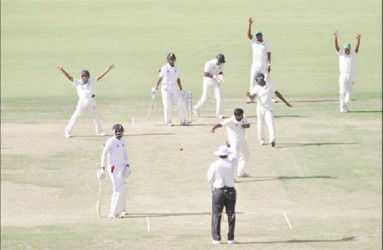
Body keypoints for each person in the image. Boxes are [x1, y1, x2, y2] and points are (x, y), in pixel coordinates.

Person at [57, 64, 115, 138]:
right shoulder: (77, 82)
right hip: (82, 102)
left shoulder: (92, 81)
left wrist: (108, 70)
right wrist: (62, 70)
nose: (84, 77)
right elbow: (69, 77)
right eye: (83, 76)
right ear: (81, 77)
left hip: (90, 101)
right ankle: (67, 132)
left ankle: (99, 131)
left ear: (88, 77)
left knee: (96, 117)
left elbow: (100, 77)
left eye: (86, 76)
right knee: (75, 117)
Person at [246, 73, 292, 147]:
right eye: (256, 80)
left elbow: (278, 94)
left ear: (261, 78)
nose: (257, 81)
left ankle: (272, 139)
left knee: (270, 123)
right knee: (260, 124)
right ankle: (261, 139)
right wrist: (249, 95)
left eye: (258, 79)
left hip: (268, 109)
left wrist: (286, 102)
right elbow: (252, 97)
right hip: (260, 109)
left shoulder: (270, 85)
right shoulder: (256, 88)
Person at [97, 124, 131, 218]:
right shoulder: (110, 142)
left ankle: (122, 209)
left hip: (123, 166)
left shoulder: (123, 141)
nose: (120, 134)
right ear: (114, 132)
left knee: (124, 188)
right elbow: (104, 154)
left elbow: (125, 153)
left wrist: (127, 165)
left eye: (121, 132)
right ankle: (113, 212)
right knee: (118, 189)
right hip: (114, 168)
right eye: (118, 132)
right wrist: (102, 168)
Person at [207, 145, 238, 245]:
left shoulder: (214, 165)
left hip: (218, 191)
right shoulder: (231, 163)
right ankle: (231, 238)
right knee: (231, 215)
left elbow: (209, 179)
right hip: (230, 191)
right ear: (226, 155)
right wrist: (230, 149)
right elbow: (235, 156)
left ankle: (216, 238)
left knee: (216, 215)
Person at [211, 108, 251, 177]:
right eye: (241, 115)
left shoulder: (244, 117)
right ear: (236, 116)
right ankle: (230, 176)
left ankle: (241, 172)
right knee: (234, 159)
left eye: (242, 114)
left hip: (242, 140)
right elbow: (220, 124)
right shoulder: (230, 121)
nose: (242, 116)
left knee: (246, 155)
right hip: (234, 142)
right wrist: (213, 128)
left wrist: (245, 126)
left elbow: (248, 125)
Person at [152, 53, 188, 126]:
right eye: (169, 59)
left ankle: (183, 121)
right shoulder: (164, 68)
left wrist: (181, 89)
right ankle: (168, 122)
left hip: (174, 87)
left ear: (174, 60)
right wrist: (156, 88)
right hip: (166, 88)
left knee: (180, 103)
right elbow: (160, 78)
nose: (171, 61)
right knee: (167, 105)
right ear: (167, 60)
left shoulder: (177, 68)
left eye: (172, 59)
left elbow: (178, 79)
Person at [333, 31, 361, 113]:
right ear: (344, 49)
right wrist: (335, 38)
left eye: (348, 49)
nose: (347, 50)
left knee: (349, 94)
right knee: (342, 91)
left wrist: (358, 40)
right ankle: (342, 107)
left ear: (350, 49)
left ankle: (345, 106)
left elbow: (357, 48)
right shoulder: (341, 54)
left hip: (351, 75)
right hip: (342, 75)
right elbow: (337, 47)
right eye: (345, 49)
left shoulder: (353, 54)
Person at [246, 17, 272, 104]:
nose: (258, 37)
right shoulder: (253, 41)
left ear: (262, 35)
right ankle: (251, 98)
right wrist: (249, 24)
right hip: (255, 64)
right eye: (257, 35)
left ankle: (269, 97)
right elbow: (248, 34)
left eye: (259, 35)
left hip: (264, 64)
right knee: (253, 80)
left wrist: (269, 64)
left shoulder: (266, 43)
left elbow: (269, 54)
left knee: (267, 79)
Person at [193, 54, 226, 119]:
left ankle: (218, 114)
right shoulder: (209, 63)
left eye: (222, 62)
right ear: (216, 60)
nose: (221, 63)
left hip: (216, 82)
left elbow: (220, 72)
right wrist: (214, 76)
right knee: (205, 98)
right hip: (208, 81)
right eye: (220, 62)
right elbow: (205, 73)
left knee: (219, 96)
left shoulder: (222, 64)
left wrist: (221, 77)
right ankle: (196, 108)